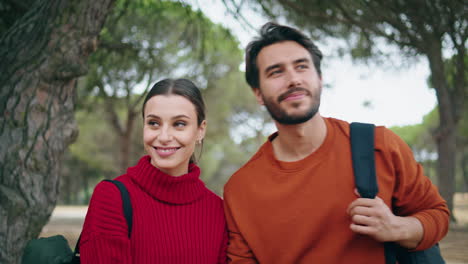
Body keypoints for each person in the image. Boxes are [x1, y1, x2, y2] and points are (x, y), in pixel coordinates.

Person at [223, 22, 449, 263]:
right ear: (258, 93)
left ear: (319, 78)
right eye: (276, 72)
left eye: (301, 66)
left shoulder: (380, 145)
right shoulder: (240, 190)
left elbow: (437, 215)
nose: (293, 79)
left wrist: (397, 228)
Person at [80, 78, 227, 263]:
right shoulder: (111, 197)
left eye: (179, 124)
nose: (164, 137)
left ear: (200, 130)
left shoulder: (218, 211)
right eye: (154, 123)